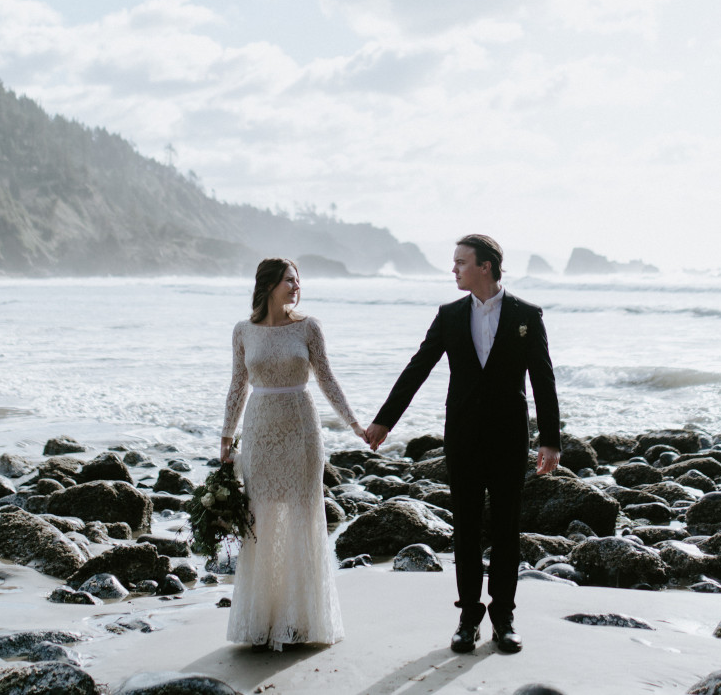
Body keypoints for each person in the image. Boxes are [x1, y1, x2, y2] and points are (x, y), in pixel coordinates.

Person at [363, 234, 561, 655]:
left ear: (485, 266)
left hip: (509, 437)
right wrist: (384, 420)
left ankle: (504, 616)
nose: (453, 270)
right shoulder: (450, 315)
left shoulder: (527, 314)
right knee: (466, 527)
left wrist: (550, 439)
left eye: (461, 263)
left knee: (507, 529)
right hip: (464, 437)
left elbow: (543, 378)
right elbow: (418, 367)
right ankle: (469, 615)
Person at [220, 257, 366, 650]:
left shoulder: (308, 327)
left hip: (301, 429)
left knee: (303, 516)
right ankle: (262, 620)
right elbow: (237, 386)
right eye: (289, 280)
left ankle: (301, 621)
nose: (296, 286)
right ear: (268, 285)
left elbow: (326, 377)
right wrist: (226, 439)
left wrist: (354, 424)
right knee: (261, 518)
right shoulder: (243, 331)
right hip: (260, 430)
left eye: (298, 280)